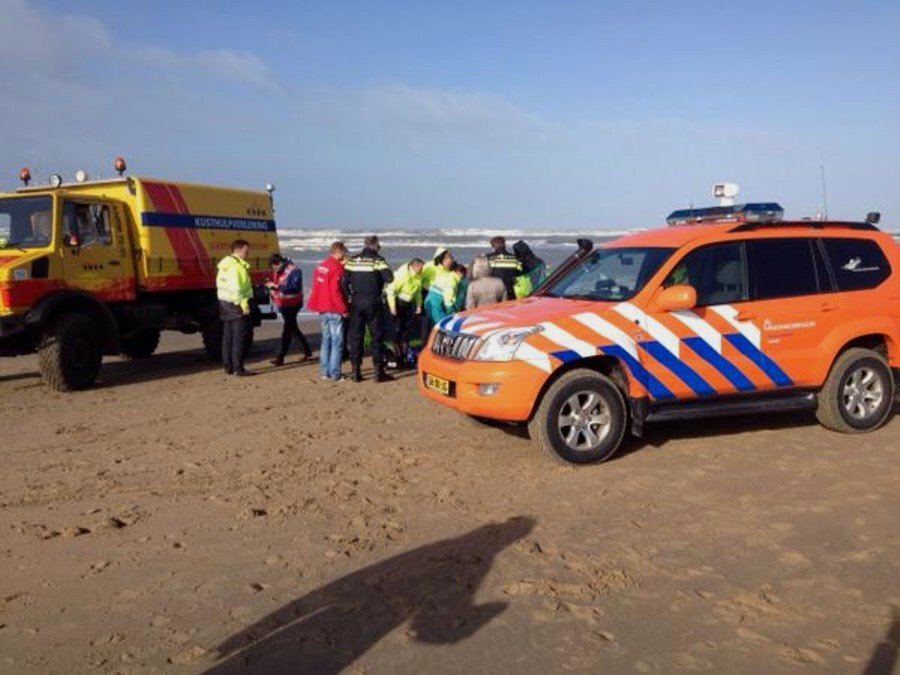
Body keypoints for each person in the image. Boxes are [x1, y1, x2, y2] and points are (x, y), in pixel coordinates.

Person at [341, 235, 394, 383]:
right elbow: (389, 278)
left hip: (356, 302)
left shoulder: (352, 260)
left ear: (364, 245)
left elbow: (343, 282)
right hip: (373, 301)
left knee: (356, 337)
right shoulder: (378, 260)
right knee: (376, 337)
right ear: (376, 245)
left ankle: (356, 372)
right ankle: (378, 372)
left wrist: (349, 296)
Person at [307, 241, 349, 381]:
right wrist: (343, 308)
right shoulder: (336, 268)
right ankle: (335, 373)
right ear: (339, 253)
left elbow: (317, 286)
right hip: (333, 307)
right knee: (337, 341)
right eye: (344, 253)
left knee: (326, 339)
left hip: (322, 306)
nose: (345, 256)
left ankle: (325, 371)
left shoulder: (320, 266)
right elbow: (336, 291)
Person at [216, 239, 254, 377]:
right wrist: (244, 306)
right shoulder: (236, 267)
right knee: (239, 338)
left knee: (228, 337)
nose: (247, 253)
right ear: (238, 250)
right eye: (246, 250)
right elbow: (237, 289)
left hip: (224, 302)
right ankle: (239, 368)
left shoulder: (225, 264)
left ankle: (228, 366)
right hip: (236, 304)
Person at [266, 253, 312, 366]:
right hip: (283, 304)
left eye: (275, 266)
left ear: (279, 263)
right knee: (293, 328)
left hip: (293, 304)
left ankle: (280, 356)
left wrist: (277, 287)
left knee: (287, 330)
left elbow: (294, 287)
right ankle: (306, 350)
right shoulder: (279, 271)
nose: (274, 269)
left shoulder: (294, 271)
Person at [385, 258, 424, 369]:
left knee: (406, 330)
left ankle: (405, 354)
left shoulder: (417, 275)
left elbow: (418, 292)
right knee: (397, 329)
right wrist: (392, 307)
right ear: (413, 266)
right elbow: (390, 291)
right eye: (420, 268)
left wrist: (418, 305)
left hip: (407, 304)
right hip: (397, 303)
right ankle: (396, 353)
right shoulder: (402, 276)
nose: (421, 270)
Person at [423, 248, 458, 328]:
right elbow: (420, 278)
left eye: (451, 258)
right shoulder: (429, 266)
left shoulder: (450, 270)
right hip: (431, 294)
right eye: (447, 258)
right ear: (441, 259)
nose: (450, 260)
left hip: (443, 296)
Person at [486, 236, 522, 301]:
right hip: (510, 290)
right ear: (504, 245)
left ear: (493, 246)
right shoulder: (515, 258)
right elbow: (519, 273)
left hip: (494, 291)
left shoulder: (488, 258)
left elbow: (485, 274)